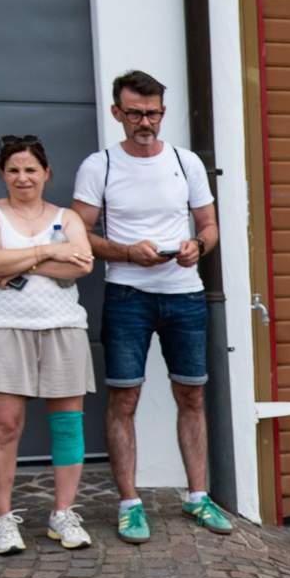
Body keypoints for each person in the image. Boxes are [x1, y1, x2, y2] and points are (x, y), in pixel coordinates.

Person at [71, 70, 230, 544]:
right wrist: (125, 252)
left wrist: (197, 247)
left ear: (163, 112)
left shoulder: (185, 162)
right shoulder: (99, 165)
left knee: (192, 395)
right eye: (135, 113)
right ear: (116, 113)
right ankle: (129, 504)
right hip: (127, 295)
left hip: (184, 293)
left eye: (153, 113)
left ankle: (197, 495)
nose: (145, 122)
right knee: (124, 399)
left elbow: (209, 225)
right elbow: (77, 232)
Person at [0, 135, 96, 554]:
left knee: (67, 425)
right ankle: (3, 519)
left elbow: (81, 266)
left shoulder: (67, 216)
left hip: (64, 326)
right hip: (5, 326)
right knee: (4, 426)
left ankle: (63, 513)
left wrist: (20, 260)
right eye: (13, 170)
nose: (22, 177)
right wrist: (48, 252)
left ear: (46, 173)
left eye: (30, 169)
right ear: (2, 173)